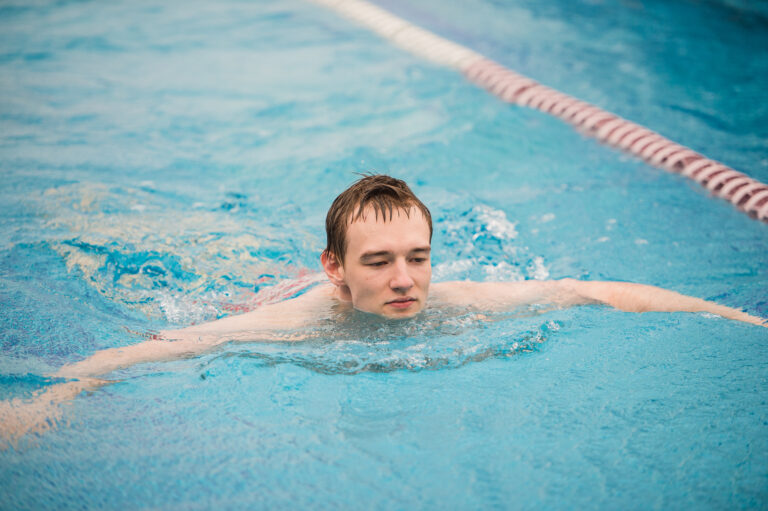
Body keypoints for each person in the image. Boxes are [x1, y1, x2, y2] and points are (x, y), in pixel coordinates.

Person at [1, 174, 765, 442]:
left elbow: (592, 290)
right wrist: (54, 396)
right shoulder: (295, 323)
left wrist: (734, 318)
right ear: (336, 270)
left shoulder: (459, 301)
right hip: (248, 290)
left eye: (418, 257)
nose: (406, 280)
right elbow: (160, 347)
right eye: (379, 262)